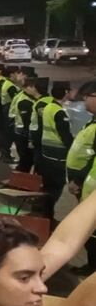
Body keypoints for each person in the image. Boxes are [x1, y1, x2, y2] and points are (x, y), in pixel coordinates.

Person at [64, 80, 96, 275]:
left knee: (91, 233)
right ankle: (92, 265)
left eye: (88, 96)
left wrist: (77, 180)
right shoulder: (92, 121)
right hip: (85, 190)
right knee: (90, 233)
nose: (84, 100)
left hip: (90, 191)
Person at [39, 81, 73, 219]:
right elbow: (65, 136)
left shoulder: (49, 107)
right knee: (56, 187)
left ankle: (44, 212)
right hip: (57, 155)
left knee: (48, 185)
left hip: (46, 152)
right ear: (65, 93)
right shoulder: (59, 112)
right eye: (68, 91)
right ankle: (47, 215)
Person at [8, 75, 42, 173]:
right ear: (29, 87)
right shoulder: (24, 100)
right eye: (35, 88)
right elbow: (27, 122)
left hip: (19, 130)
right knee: (26, 160)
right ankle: (20, 183)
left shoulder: (23, 96)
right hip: (23, 133)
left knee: (25, 160)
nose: (36, 91)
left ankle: (20, 181)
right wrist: (31, 139)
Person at [29, 78, 53, 174]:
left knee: (39, 163)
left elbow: (39, 124)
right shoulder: (50, 100)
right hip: (45, 138)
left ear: (35, 88)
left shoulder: (41, 104)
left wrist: (32, 140)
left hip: (40, 138)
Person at [0, 66, 20, 164]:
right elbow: (16, 100)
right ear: (11, 74)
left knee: (7, 134)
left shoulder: (7, 83)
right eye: (16, 73)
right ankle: (5, 155)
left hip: (6, 110)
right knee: (9, 134)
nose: (18, 76)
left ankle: (5, 154)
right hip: (9, 111)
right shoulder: (10, 86)